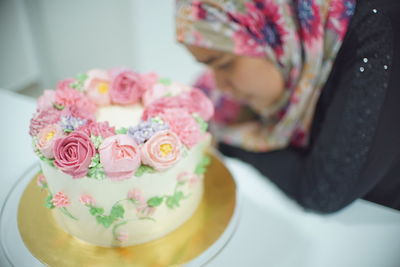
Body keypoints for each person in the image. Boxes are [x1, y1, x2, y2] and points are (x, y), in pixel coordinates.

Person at [175, 0, 400, 213]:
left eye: (224, 64)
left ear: (271, 30)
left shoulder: (375, 34)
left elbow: (324, 191)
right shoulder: (293, 45)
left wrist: (232, 140)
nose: (220, 85)